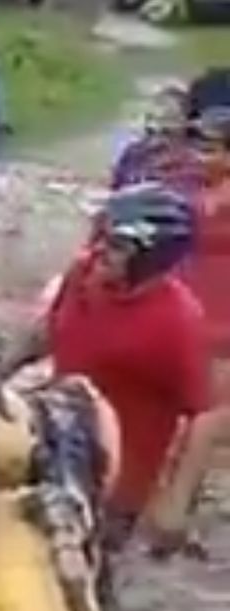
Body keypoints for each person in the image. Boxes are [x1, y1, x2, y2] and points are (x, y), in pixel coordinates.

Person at [28, 183, 210, 548]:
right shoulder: (83, 274)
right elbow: (47, 334)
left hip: (114, 479)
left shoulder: (177, 321)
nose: (100, 251)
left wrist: (175, 501)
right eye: (102, 238)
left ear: (150, 258)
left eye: (116, 246)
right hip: (58, 440)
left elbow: (200, 415)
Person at [147, 108, 230, 556]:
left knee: (198, 415)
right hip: (212, 313)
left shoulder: (201, 195)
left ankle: (169, 506)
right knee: (209, 418)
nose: (201, 156)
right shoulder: (204, 193)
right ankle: (173, 513)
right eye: (200, 147)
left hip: (205, 307)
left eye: (211, 149)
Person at [110, 84, 202, 193]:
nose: (158, 128)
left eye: (169, 119)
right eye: (153, 119)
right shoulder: (134, 153)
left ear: (187, 122)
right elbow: (115, 189)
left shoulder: (198, 159)